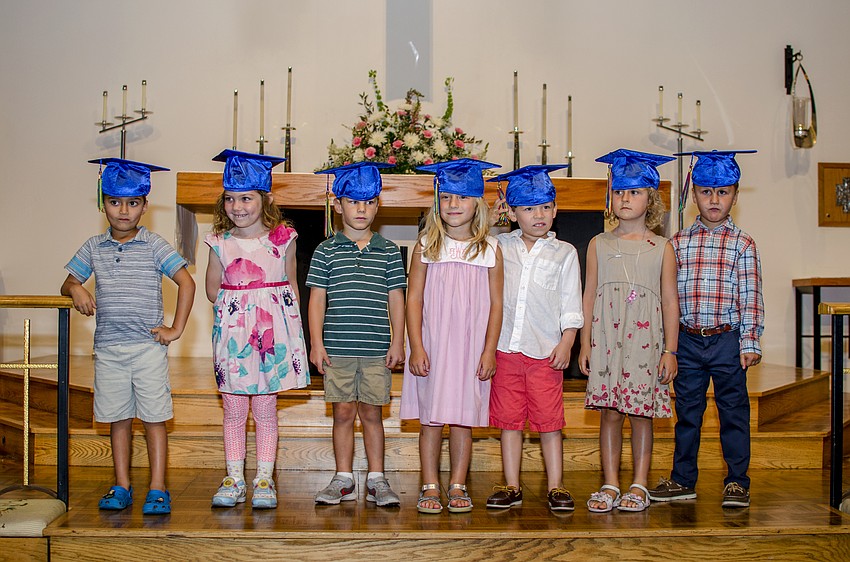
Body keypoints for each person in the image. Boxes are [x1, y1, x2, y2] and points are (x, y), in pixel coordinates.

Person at [61, 158, 195, 515]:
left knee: (154, 418)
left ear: (145, 206)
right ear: (102, 202)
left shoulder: (154, 245)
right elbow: (68, 281)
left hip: (147, 349)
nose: (124, 211)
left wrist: (176, 328)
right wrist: (76, 288)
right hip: (108, 349)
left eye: (133, 203)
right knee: (118, 419)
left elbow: (186, 281)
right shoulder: (93, 247)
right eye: (115, 202)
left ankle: (158, 487)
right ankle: (121, 484)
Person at [649, 150, 763, 509]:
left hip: (727, 340)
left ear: (735, 196)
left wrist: (749, 340)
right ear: (694, 194)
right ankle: (683, 479)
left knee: (733, 413)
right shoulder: (678, 243)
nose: (714, 200)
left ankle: (737, 481)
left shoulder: (743, 244)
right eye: (706, 192)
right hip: (688, 340)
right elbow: (668, 295)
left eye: (723, 192)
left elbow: (750, 294)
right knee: (688, 414)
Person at [205, 149, 310, 509]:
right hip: (234, 338)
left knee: (265, 410)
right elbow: (210, 289)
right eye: (231, 199)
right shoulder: (219, 241)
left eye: (246, 198)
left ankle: (263, 477)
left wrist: (293, 340)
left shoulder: (283, 239)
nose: (238, 206)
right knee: (233, 411)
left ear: (264, 199)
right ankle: (233, 477)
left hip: (269, 339)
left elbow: (291, 287)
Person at [400, 158, 504, 514]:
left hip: (470, 348)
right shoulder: (426, 245)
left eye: (462, 198)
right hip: (433, 345)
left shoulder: (489, 248)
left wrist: (489, 352)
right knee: (430, 419)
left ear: (477, 202)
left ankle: (458, 483)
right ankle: (430, 483)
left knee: (462, 419)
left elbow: (495, 304)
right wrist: (415, 346)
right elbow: (413, 298)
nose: (454, 205)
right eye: (446, 198)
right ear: (437, 201)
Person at [580, 149, 679, 513]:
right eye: (619, 192)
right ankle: (609, 482)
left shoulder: (663, 248)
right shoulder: (598, 244)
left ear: (650, 199)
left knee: (640, 414)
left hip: (645, 344)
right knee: (610, 413)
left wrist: (671, 350)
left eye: (635, 192)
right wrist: (584, 343)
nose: (625, 198)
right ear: (610, 197)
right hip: (606, 342)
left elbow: (670, 302)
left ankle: (638, 483)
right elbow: (588, 295)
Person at [483, 165, 584, 512]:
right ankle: (511, 484)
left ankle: (556, 485)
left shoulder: (565, 253)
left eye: (545, 207)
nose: (538, 215)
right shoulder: (498, 247)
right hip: (506, 351)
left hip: (546, 352)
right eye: (528, 208)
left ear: (555, 210)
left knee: (549, 422)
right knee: (509, 422)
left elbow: (571, 302)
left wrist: (568, 340)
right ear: (511, 213)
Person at [308, 162, 407, 507]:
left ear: (378, 205)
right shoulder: (326, 251)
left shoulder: (390, 251)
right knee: (343, 413)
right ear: (338, 205)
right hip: (338, 350)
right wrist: (317, 343)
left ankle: (377, 478)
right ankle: (344, 477)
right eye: (352, 201)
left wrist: (398, 341)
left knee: (372, 414)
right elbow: (317, 299)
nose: (360, 209)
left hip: (377, 349)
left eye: (368, 202)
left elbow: (397, 298)